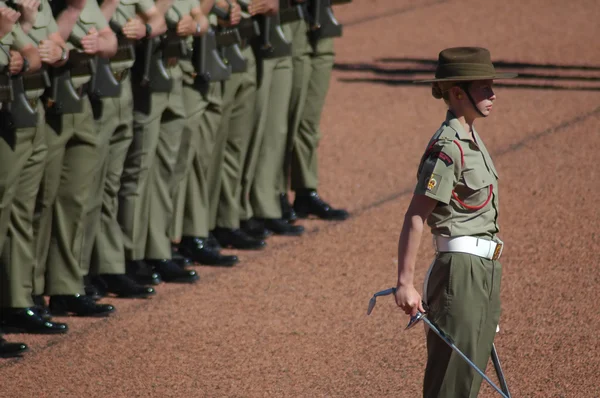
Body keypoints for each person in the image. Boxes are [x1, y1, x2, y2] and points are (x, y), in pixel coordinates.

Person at [392, 47, 516, 398]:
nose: (493, 95)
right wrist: (405, 283)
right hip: (459, 274)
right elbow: (417, 215)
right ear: (458, 93)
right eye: (484, 88)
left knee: (467, 383)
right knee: (450, 385)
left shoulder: (472, 139)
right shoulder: (448, 148)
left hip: (484, 271)